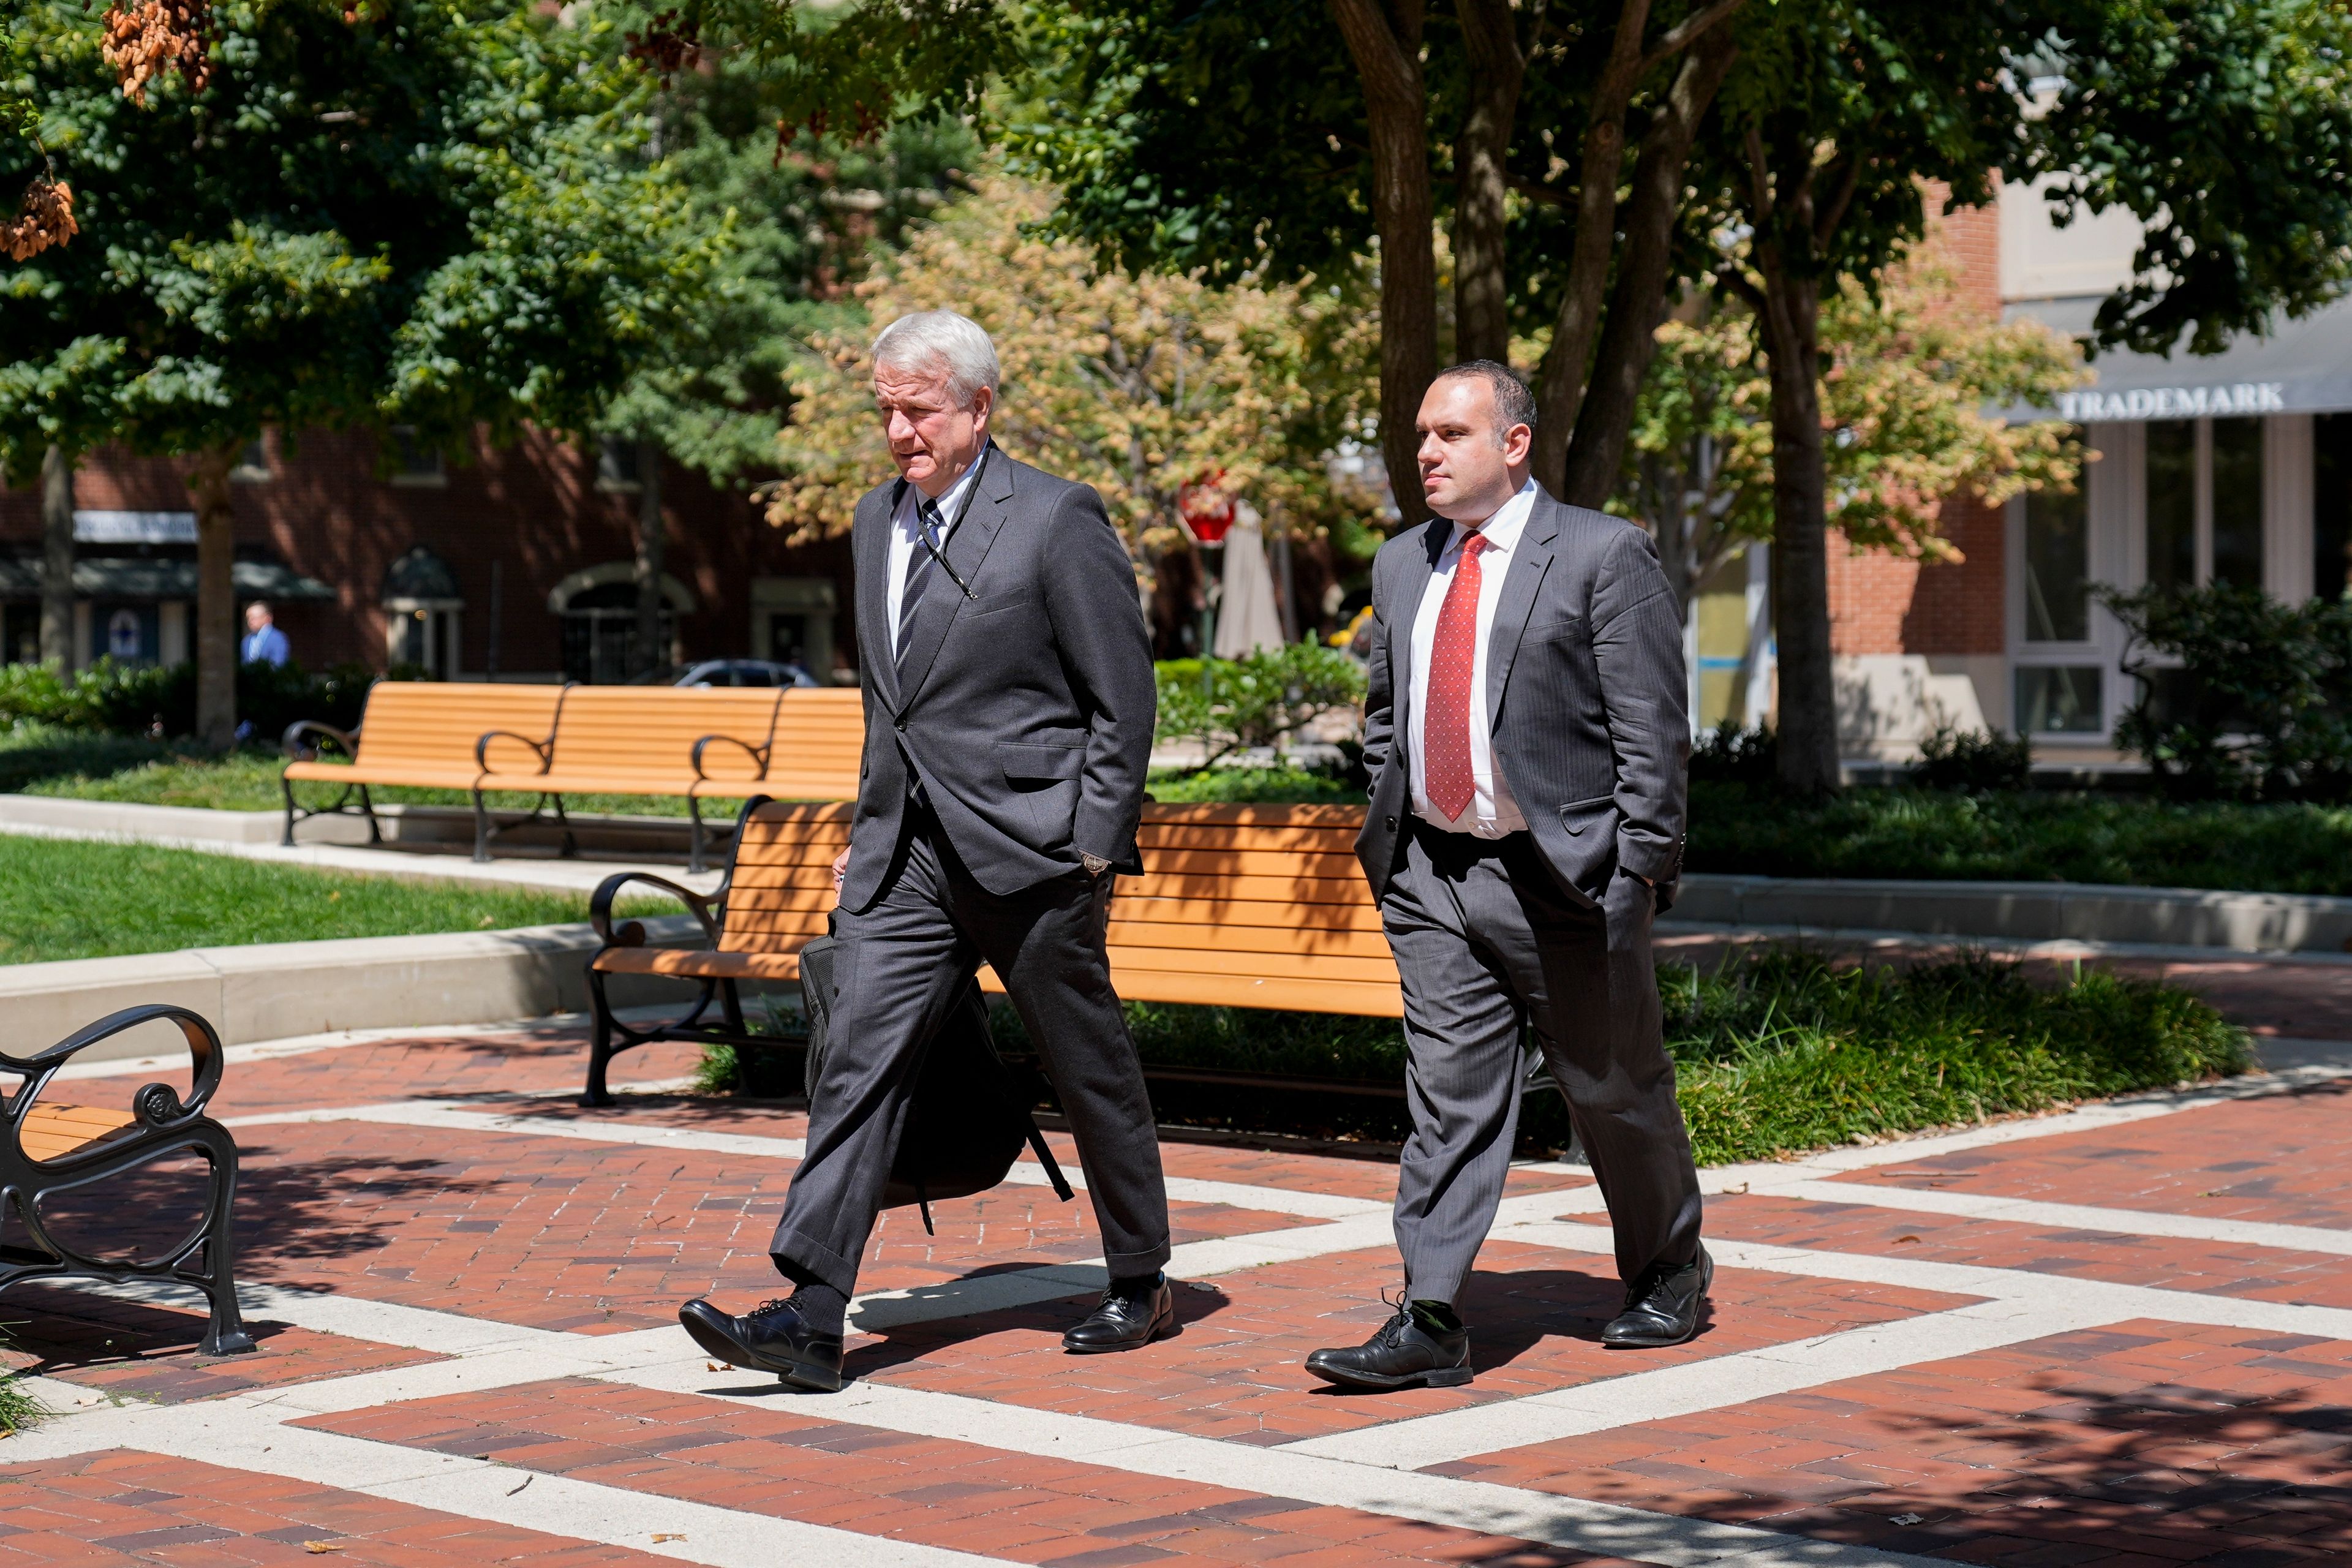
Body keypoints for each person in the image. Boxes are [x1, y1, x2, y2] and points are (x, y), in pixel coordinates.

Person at [679, 310, 1172, 1392]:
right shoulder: (873, 521)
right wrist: (867, 835)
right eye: (886, 410)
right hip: (905, 859)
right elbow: (888, 707)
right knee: (855, 1063)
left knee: (1089, 1070)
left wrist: (1092, 846)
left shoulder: (1055, 520)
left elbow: (1121, 702)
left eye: (920, 408)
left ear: (979, 408)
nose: (900, 430)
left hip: (1033, 856)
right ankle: (811, 1313)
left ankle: (1141, 1274)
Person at [1305, 361, 1706, 1393]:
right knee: (1447, 1098)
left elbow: (1653, 737)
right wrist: (1395, 841)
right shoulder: (1403, 565)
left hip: (1563, 880)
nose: (1425, 453)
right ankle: (1431, 1315)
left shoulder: (1603, 556)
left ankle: (1669, 1266)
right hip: (1435, 876)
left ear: (1514, 443)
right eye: (1420, 434)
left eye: (1450, 434)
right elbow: (1389, 719)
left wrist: (1636, 881)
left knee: (1611, 1091)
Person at [241, 601, 290, 667]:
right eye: (248, 618)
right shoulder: (246, 641)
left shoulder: (277, 638)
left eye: (253, 618)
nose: (250, 622)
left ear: (267, 618)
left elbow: (278, 664)